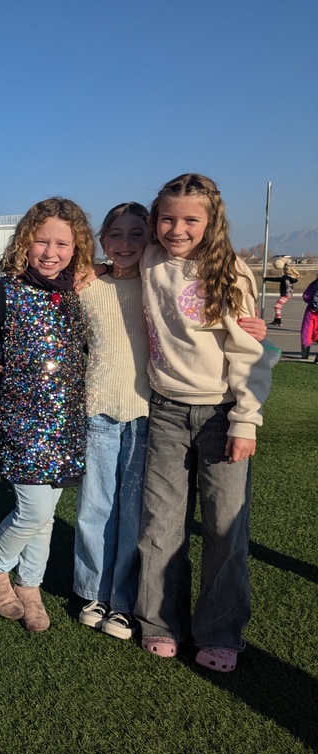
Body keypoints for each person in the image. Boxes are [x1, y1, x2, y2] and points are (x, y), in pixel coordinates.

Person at [135, 173, 274, 672]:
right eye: (167, 218)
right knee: (161, 524)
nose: (177, 228)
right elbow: (116, 257)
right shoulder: (148, 260)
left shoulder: (229, 271)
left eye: (191, 219)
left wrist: (245, 420)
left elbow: (249, 353)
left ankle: (219, 631)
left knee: (223, 527)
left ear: (211, 221)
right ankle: (160, 622)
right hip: (166, 411)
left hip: (221, 414)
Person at [0, 197, 94, 633]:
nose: (50, 252)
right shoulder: (5, 290)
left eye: (62, 243)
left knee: (47, 514)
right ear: (24, 243)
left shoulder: (79, 293)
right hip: (22, 419)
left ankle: (30, 585)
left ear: (76, 247)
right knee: (32, 512)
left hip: (67, 421)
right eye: (41, 241)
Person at [72, 202, 152, 640]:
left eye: (136, 234)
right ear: (103, 240)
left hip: (146, 412)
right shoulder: (87, 285)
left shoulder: (160, 284)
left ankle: (123, 601)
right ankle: (92, 592)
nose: (125, 244)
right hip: (97, 409)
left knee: (134, 511)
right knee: (95, 506)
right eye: (116, 235)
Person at [263, 261, 299, 327]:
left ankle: (278, 321)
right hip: (288, 294)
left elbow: (276, 279)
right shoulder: (291, 278)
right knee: (277, 306)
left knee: (277, 306)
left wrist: (266, 278)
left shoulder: (285, 278)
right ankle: (277, 320)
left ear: (285, 271)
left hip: (286, 294)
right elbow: (296, 280)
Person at [300, 276, 318, 360]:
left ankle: (305, 353)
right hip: (313, 311)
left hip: (312, 311)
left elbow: (306, 295)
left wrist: (313, 304)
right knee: (309, 331)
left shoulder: (314, 283)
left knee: (307, 331)